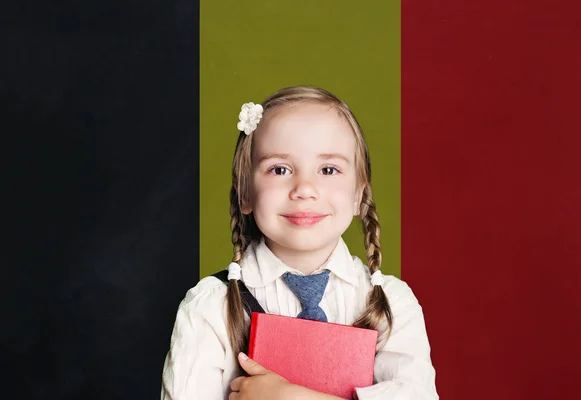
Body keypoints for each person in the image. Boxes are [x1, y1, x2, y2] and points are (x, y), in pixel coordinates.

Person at [161, 86, 438, 400]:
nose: (305, 189)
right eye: (280, 169)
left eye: (328, 170)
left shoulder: (392, 304)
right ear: (245, 193)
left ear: (359, 194)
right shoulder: (210, 307)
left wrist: (291, 397)